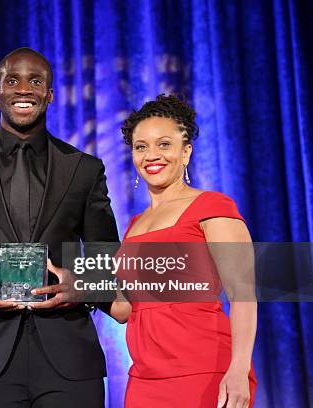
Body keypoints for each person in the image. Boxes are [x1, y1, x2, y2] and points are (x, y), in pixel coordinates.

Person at [0, 47, 119, 408]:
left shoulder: (84, 169)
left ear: (49, 94)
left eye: (35, 81)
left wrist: (82, 286)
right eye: (12, 80)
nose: (23, 89)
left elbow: (105, 253)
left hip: (70, 357)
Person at [109, 94, 257, 407]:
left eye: (164, 144)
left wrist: (239, 369)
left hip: (205, 372)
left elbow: (243, 296)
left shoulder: (213, 207)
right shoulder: (134, 225)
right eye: (141, 146)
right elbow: (123, 309)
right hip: (144, 379)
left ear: (186, 152)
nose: (152, 155)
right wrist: (74, 284)